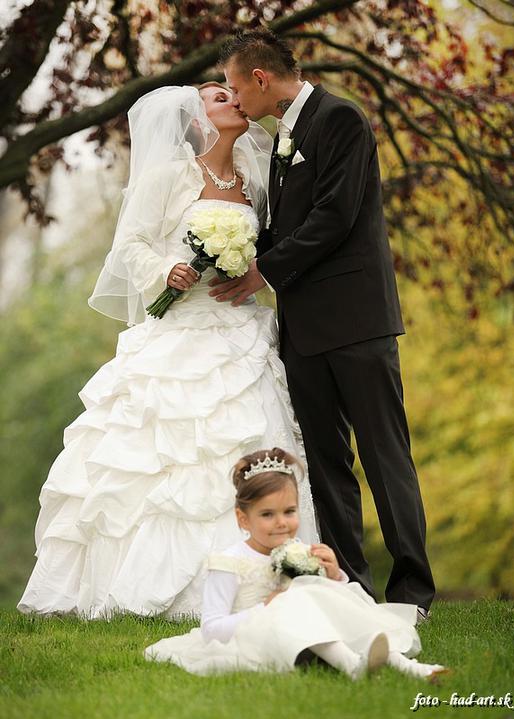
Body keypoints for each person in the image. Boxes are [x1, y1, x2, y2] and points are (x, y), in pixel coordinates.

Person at [17, 85, 318, 619]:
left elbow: (268, 249)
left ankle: (268, 580)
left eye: (233, 93)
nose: (233, 100)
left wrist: (250, 272)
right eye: (219, 97)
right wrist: (167, 270)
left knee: (253, 434)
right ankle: (152, 587)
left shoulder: (254, 182)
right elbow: (130, 245)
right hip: (178, 330)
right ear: (198, 121)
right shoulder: (168, 178)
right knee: (164, 457)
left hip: (240, 332)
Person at [208, 30, 436, 619]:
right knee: (327, 465)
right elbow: (283, 225)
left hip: (357, 322)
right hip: (303, 331)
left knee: (385, 457)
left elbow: (335, 216)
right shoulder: (278, 138)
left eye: (236, 87)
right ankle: (350, 587)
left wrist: (261, 272)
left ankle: (412, 593)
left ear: (261, 79)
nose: (235, 99)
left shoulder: (341, 119)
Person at [144, 448, 446, 679]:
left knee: (332, 606)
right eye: (267, 514)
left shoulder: (298, 550)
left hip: (306, 633)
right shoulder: (229, 562)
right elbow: (212, 629)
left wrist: (334, 575)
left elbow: (327, 601)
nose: (281, 523)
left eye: (289, 511)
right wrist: (265, 608)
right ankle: (352, 666)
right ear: (243, 519)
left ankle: (409, 667)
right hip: (258, 638)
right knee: (294, 600)